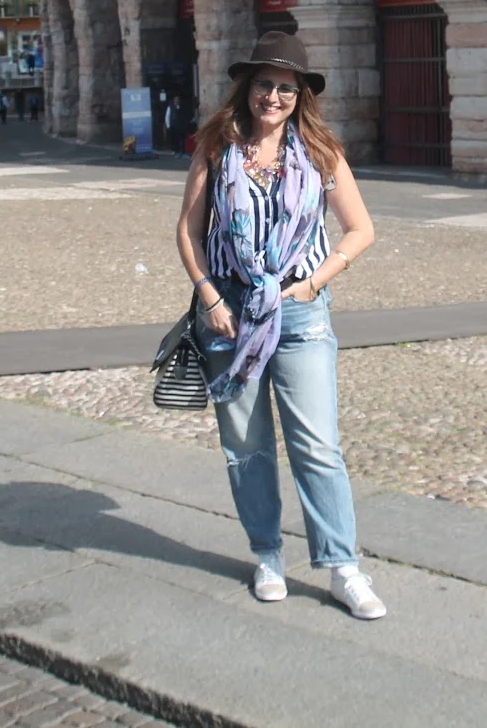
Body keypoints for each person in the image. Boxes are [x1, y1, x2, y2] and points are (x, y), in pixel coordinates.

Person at [175, 31, 383, 620]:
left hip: (299, 311)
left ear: (300, 96)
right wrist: (209, 295)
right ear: (247, 87)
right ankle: (267, 554)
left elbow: (361, 229)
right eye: (264, 84)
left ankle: (343, 567)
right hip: (228, 312)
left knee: (317, 444)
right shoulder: (217, 146)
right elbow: (189, 231)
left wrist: (315, 282)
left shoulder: (320, 152)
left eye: (286, 89)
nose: (273, 97)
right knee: (247, 448)